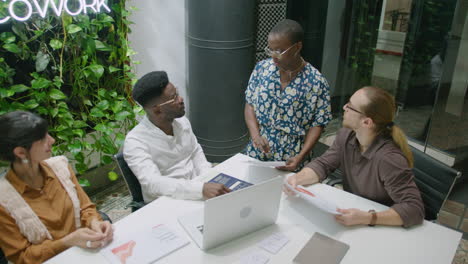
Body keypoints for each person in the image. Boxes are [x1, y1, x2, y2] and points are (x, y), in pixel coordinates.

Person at [286, 86, 425, 228]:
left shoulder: (388, 158)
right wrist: (297, 179)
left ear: (367, 122)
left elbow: (414, 209)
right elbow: (323, 164)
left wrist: (368, 218)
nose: (344, 107)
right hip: (355, 215)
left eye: (350, 107)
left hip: (381, 226)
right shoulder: (346, 135)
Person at [0, 111, 113, 263]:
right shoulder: (3, 200)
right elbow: (22, 256)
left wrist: (95, 222)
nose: (52, 140)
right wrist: (67, 242)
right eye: (43, 138)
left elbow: (85, 208)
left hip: (87, 254)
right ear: (21, 152)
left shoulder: (60, 166)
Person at [123, 71, 230, 203]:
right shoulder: (135, 141)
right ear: (157, 110)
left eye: (177, 93)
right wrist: (200, 189)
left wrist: (208, 177)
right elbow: (153, 184)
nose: (181, 99)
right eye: (174, 98)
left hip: (198, 190)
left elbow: (195, 151)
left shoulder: (181, 121)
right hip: (167, 201)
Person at [244, 19, 332, 171]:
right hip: (257, 151)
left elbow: (318, 124)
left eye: (279, 51)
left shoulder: (316, 82)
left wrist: (301, 155)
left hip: (292, 157)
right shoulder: (262, 69)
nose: (274, 56)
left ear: (297, 46)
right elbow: (250, 105)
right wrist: (256, 136)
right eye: (270, 50)